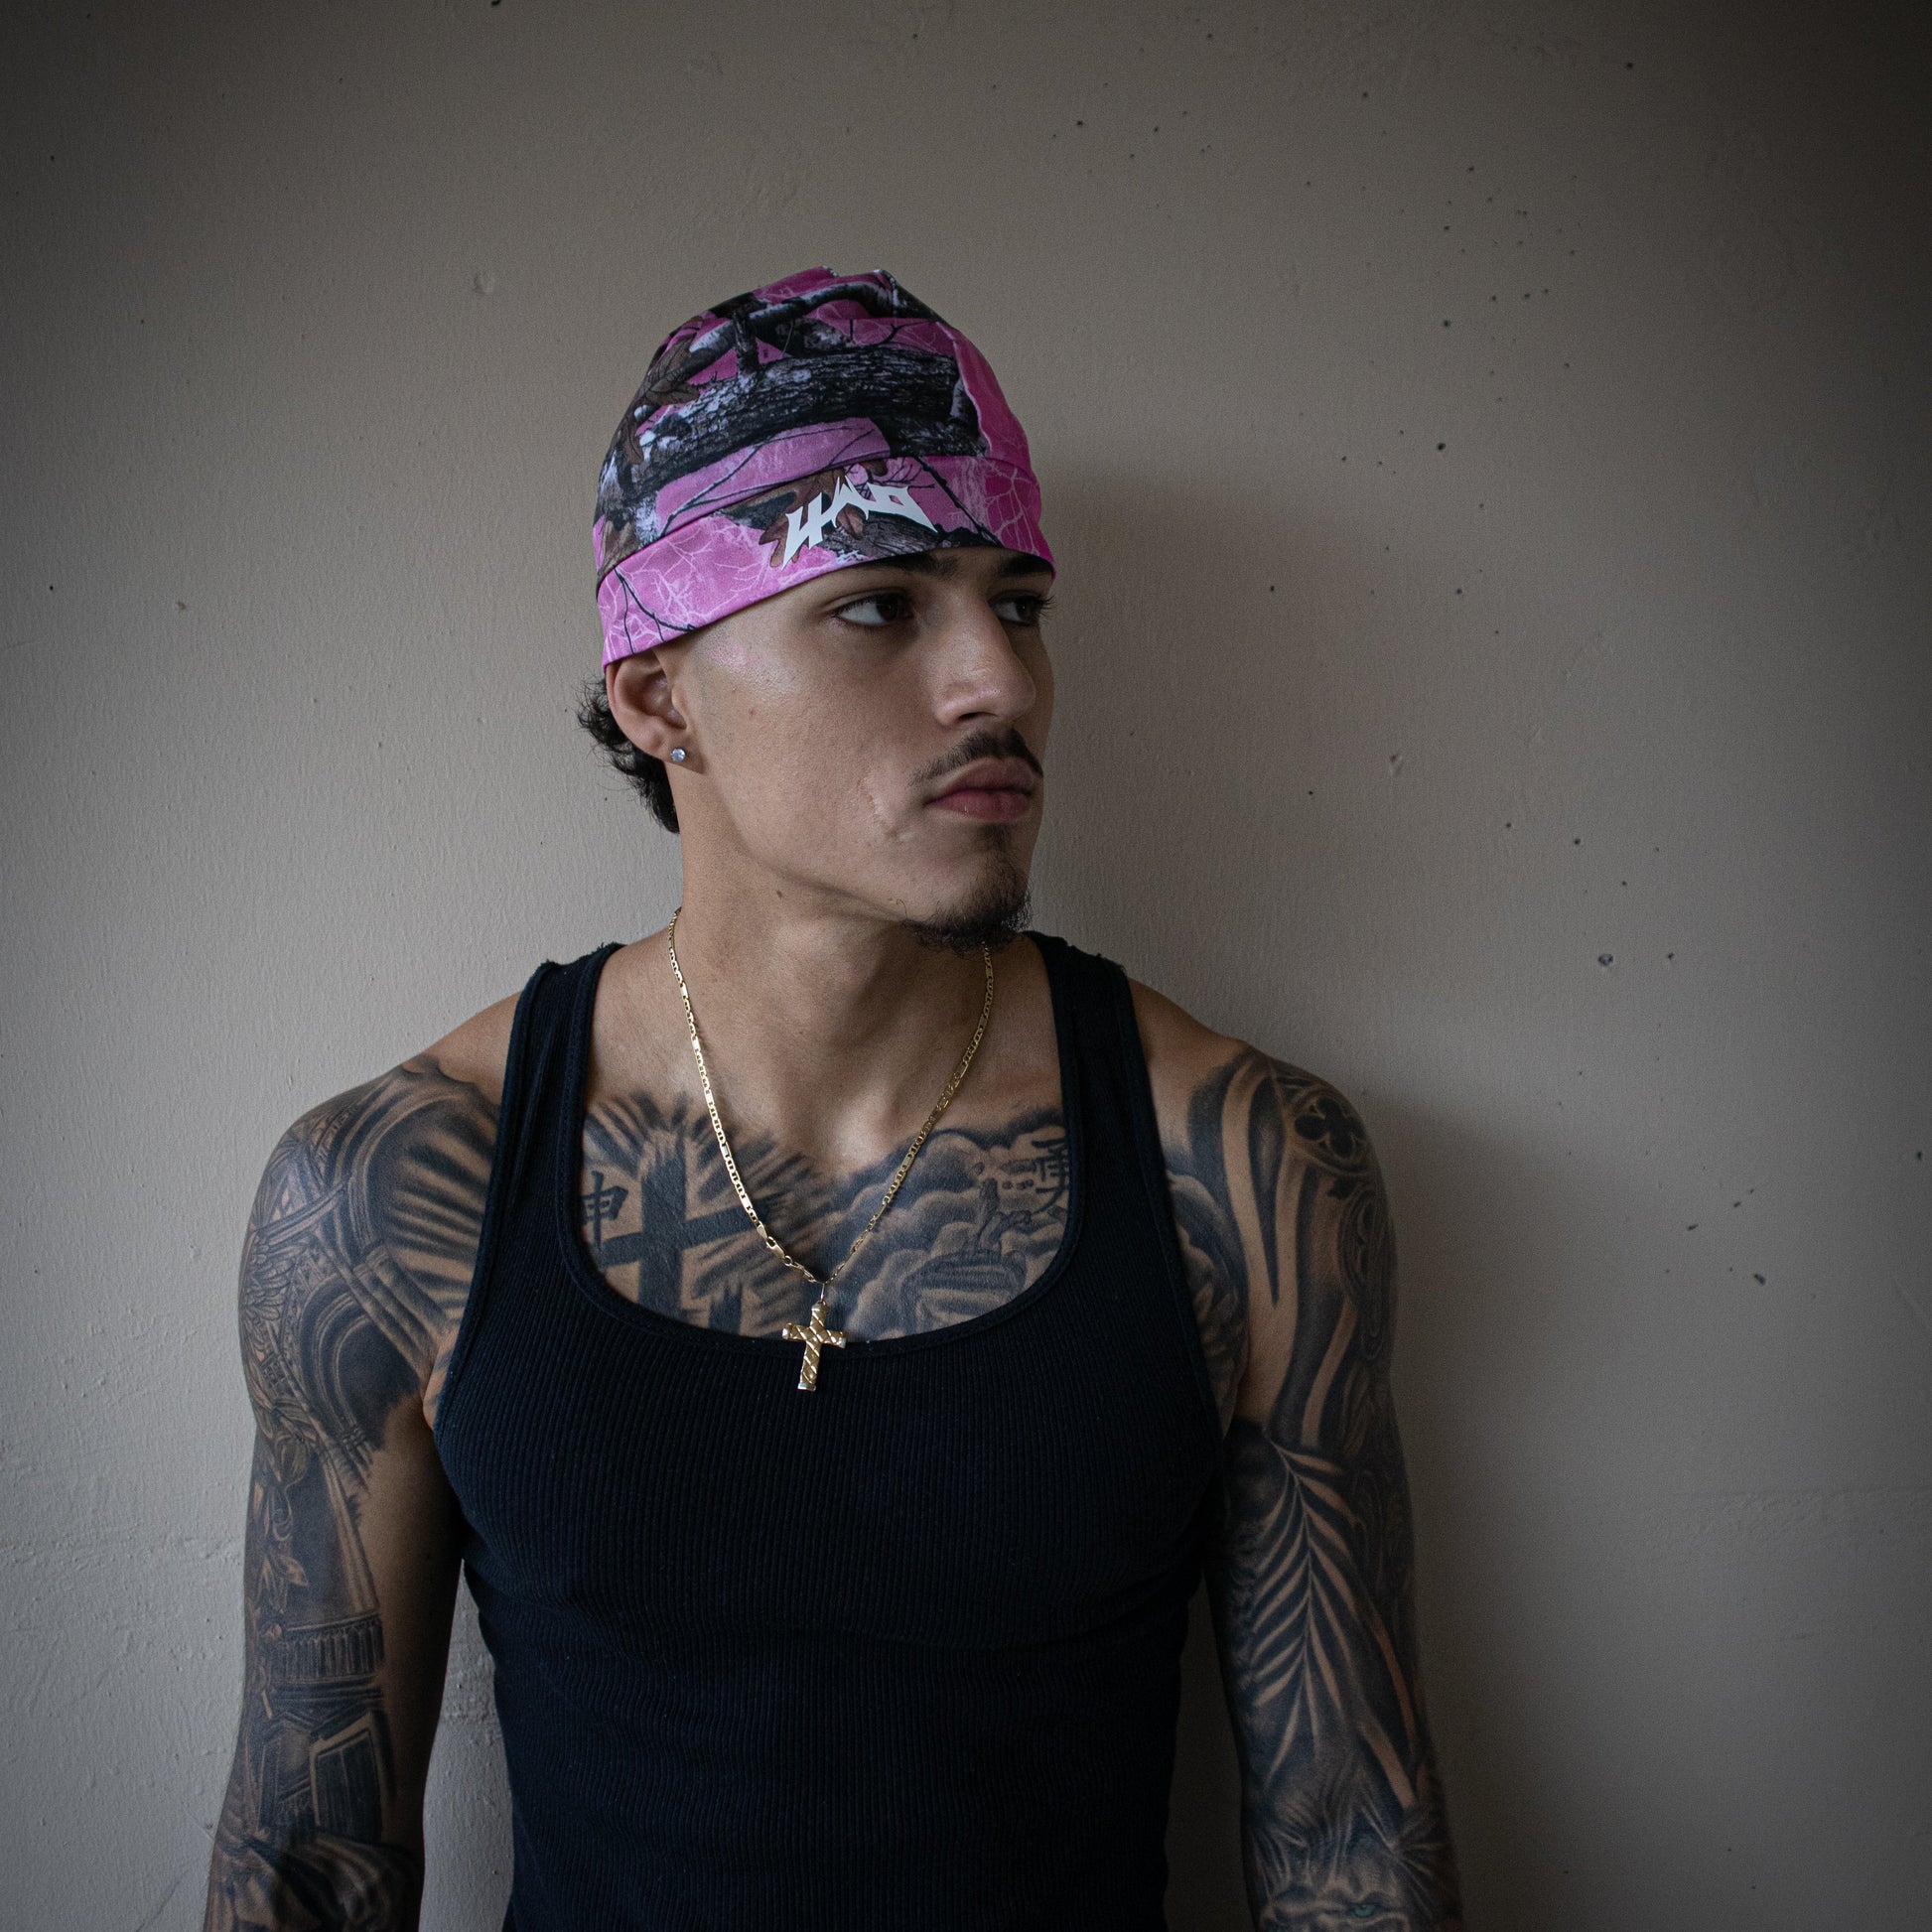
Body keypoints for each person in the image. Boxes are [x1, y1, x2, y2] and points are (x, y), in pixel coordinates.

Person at [204, 266, 1461, 1932]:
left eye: (1018, 602)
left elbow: (1346, 1836)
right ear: (659, 695)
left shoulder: (1239, 1163)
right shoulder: (396, 1185)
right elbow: (313, 1860)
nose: (998, 682)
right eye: (880, 605)